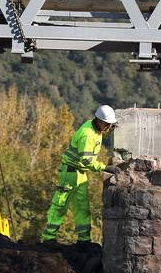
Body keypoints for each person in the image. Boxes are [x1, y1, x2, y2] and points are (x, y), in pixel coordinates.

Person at [41, 104, 119, 245]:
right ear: (100, 121)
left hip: (79, 172)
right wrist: (105, 168)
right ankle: (48, 237)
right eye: (107, 125)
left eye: (110, 125)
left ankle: (84, 240)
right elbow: (87, 161)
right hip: (70, 172)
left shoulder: (95, 129)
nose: (109, 128)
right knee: (60, 204)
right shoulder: (87, 135)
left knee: (82, 207)